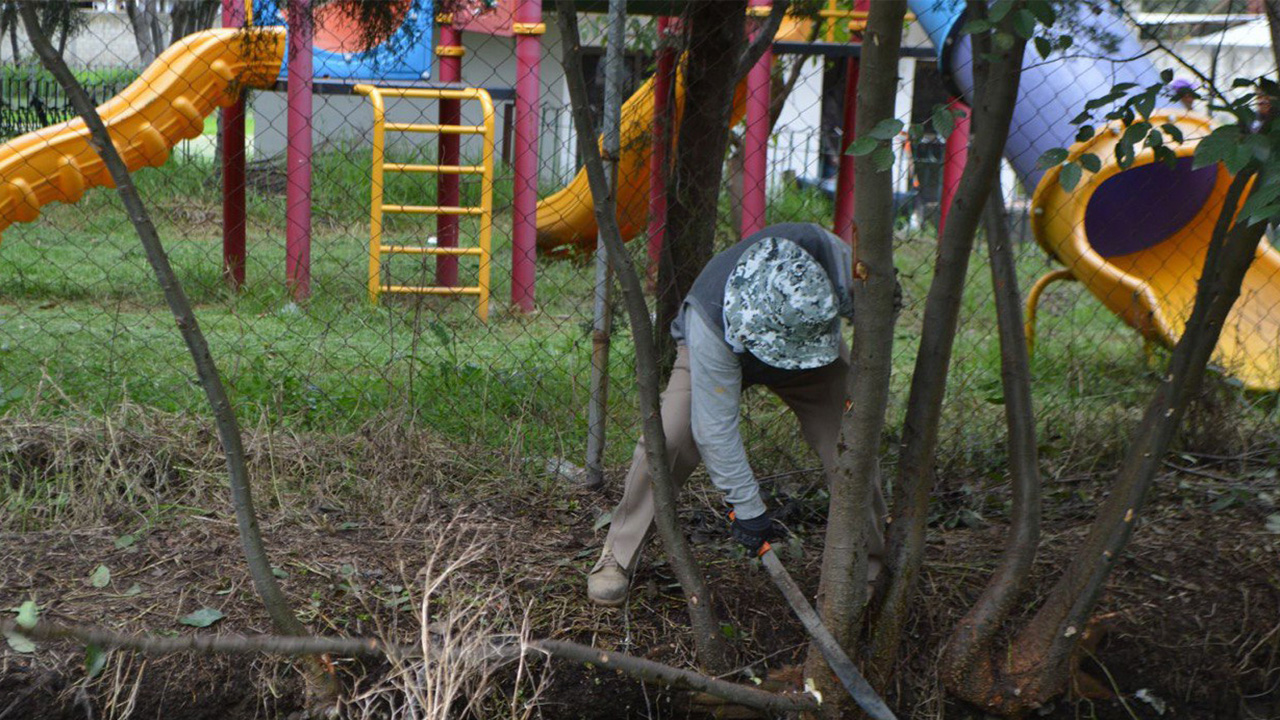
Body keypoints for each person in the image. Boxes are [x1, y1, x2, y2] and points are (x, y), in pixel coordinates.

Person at [587, 222, 887, 607]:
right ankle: (618, 554)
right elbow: (714, 429)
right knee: (670, 438)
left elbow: (880, 313)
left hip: (813, 348)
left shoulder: (836, 261)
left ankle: (869, 568)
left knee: (851, 443)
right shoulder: (710, 319)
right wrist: (747, 509)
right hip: (727, 347)